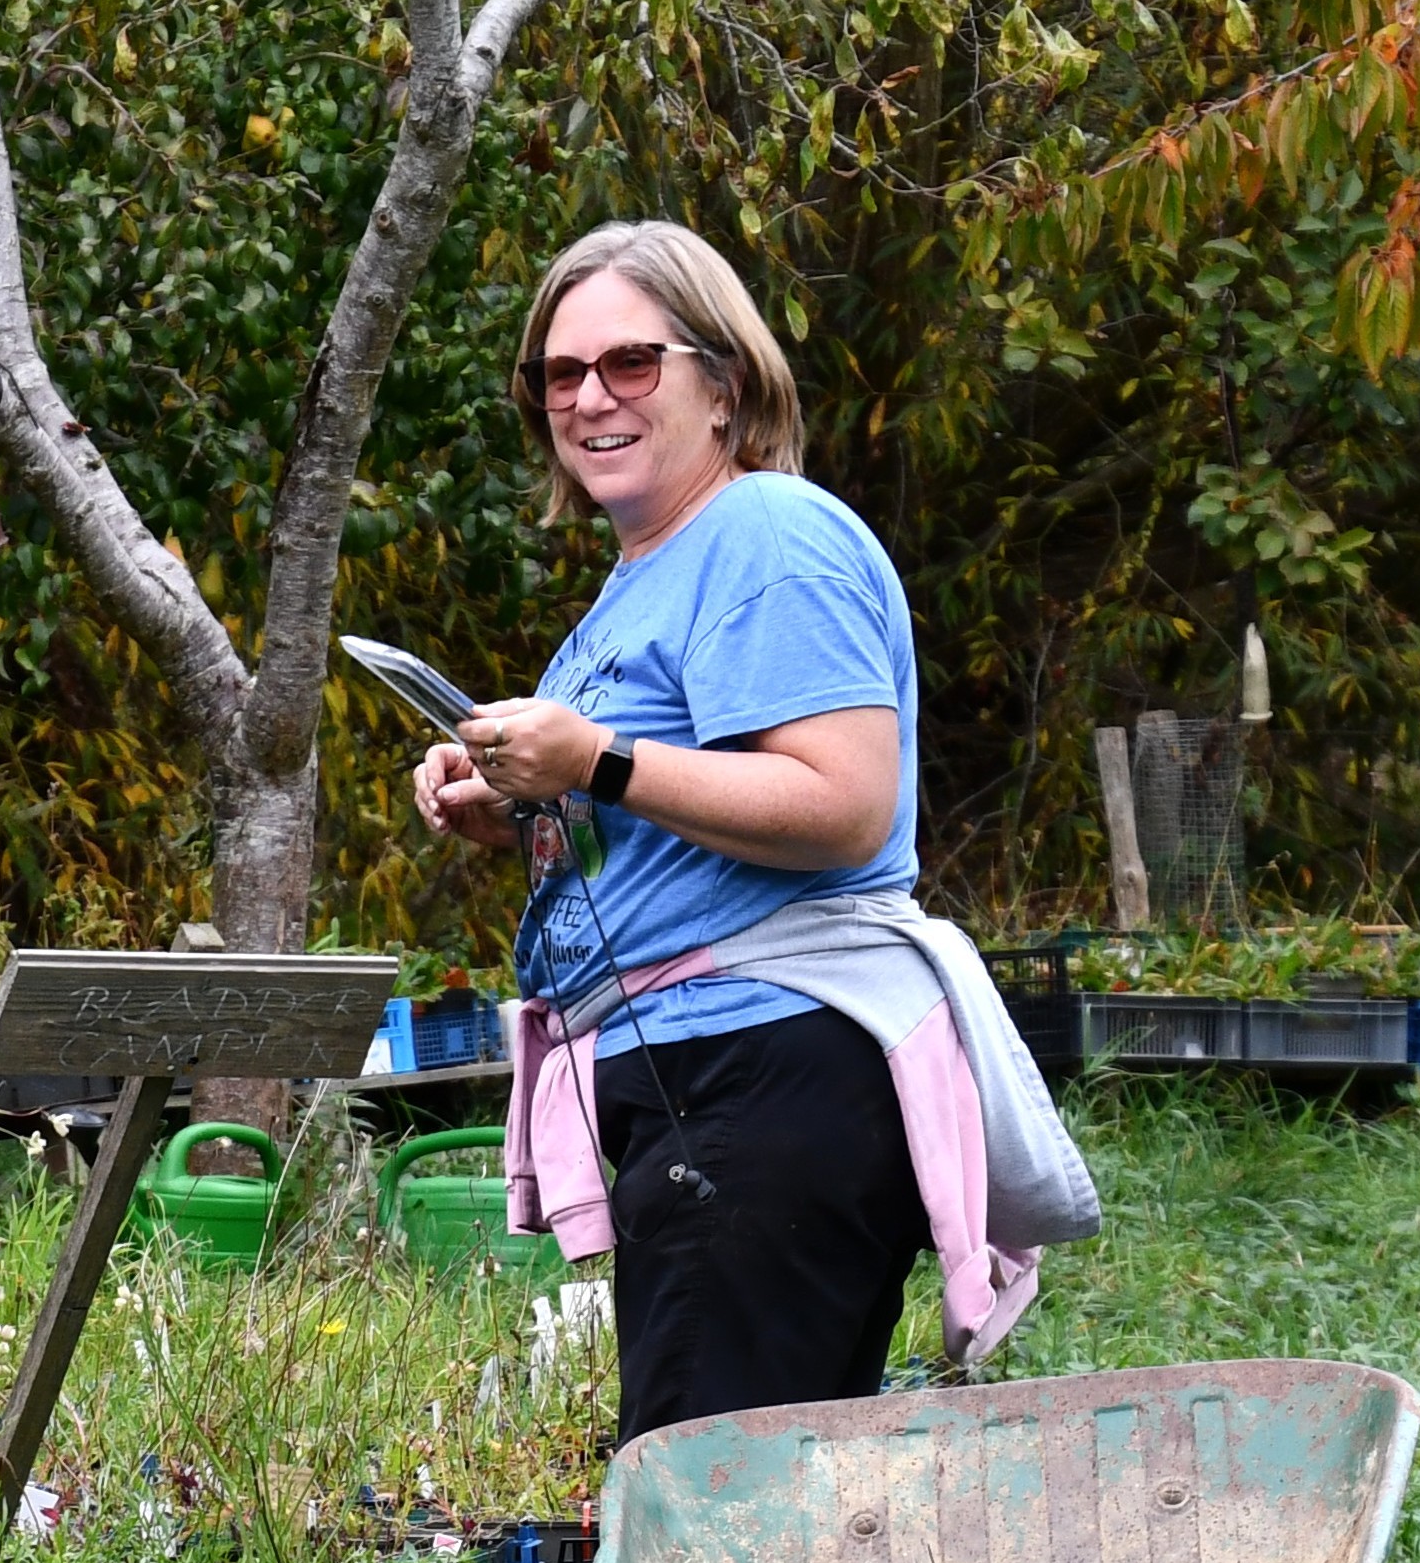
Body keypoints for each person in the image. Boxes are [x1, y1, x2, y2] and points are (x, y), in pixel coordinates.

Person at [407, 220, 1094, 1446]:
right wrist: (519, 808)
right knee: (739, 1491)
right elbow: (676, 823)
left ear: (721, 384)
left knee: (709, 1498)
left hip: (763, 1071)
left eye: (629, 363)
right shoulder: (642, 580)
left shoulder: (768, 534)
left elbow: (841, 804)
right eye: (557, 376)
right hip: (699, 1081)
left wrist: (596, 760)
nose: (588, 397)